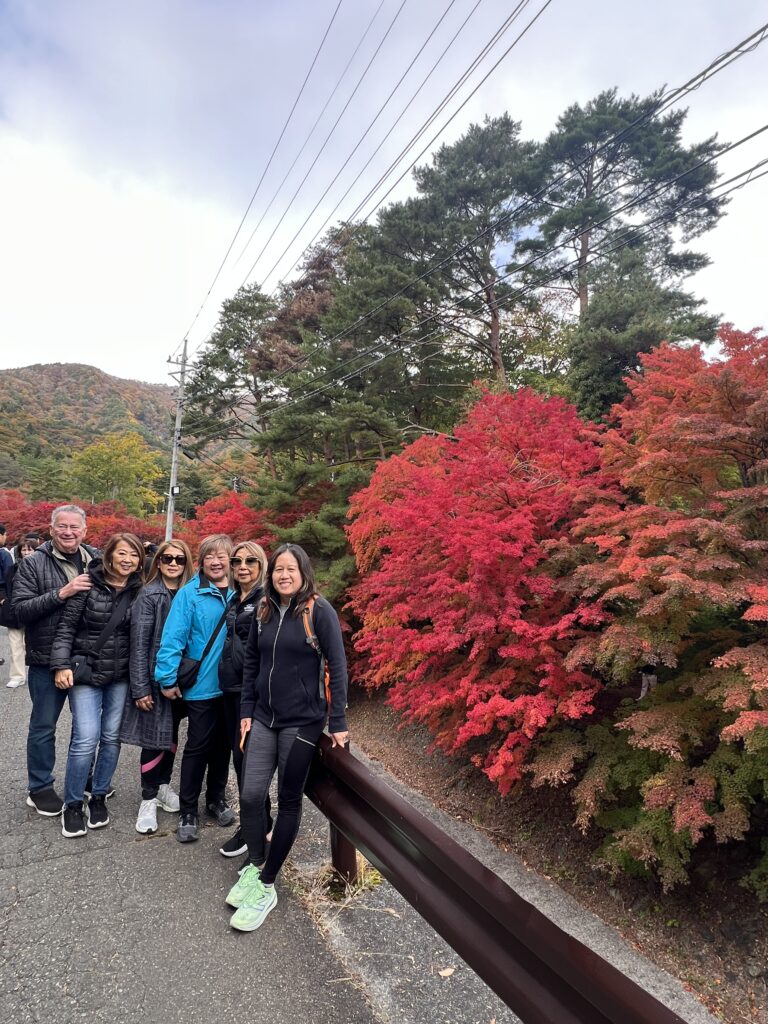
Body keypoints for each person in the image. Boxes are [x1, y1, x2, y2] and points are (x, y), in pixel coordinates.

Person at [226, 543, 349, 932]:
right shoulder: (263, 609)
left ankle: (266, 883)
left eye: (290, 569)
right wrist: (246, 711)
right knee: (249, 794)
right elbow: (252, 665)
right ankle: (257, 862)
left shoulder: (319, 610)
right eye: (278, 569)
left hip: (303, 722)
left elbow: (338, 666)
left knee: (289, 798)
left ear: (303, 573)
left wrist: (339, 721)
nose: (283, 575)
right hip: (263, 717)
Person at [50, 533, 144, 837]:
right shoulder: (88, 584)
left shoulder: (141, 590)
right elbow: (66, 627)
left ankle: (99, 794)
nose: (128, 560)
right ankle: (73, 803)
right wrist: (61, 664)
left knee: (111, 737)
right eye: (122, 553)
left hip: (119, 676)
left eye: (134, 555)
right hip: (86, 673)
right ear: (110, 556)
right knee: (85, 738)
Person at [11, 504, 98, 816]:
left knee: (86, 726)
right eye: (62, 526)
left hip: (86, 658)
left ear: (85, 531)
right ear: (51, 529)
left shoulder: (97, 559)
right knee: (44, 725)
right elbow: (19, 611)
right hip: (46, 657)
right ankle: (40, 787)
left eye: (75, 527)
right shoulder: (33, 563)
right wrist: (63, 592)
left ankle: (83, 779)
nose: (68, 532)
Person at [154, 534, 236, 844]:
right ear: (201, 561)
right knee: (198, 746)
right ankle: (188, 809)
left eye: (222, 555)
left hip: (231, 688)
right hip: (202, 686)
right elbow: (173, 638)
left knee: (223, 748)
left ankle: (216, 799)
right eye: (210, 556)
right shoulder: (190, 594)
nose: (216, 561)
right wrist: (167, 678)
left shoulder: (244, 593)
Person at [120, 539, 194, 834]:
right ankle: (148, 797)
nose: (173, 563)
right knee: (154, 739)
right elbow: (139, 646)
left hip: (185, 680)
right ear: (158, 562)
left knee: (172, 735)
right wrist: (140, 687)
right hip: (153, 679)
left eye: (179, 558)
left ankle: (163, 786)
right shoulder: (149, 595)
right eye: (167, 559)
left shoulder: (191, 594)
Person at [217, 540, 268, 858]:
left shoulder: (266, 601)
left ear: (262, 565)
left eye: (251, 560)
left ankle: (257, 829)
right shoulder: (235, 598)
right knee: (240, 761)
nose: (243, 566)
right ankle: (256, 824)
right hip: (230, 689)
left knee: (251, 765)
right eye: (237, 561)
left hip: (252, 695)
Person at [5, 535, 40, 688]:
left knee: (37, 644)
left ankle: (40, 673)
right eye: (23, 550)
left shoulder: (42, 567)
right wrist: (4, 600)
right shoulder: (12, 569)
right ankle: (17, 675)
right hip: (14, 612)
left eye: (30, 549)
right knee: (15, 645)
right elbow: (3, 585)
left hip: (35, 610)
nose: (26, 553)